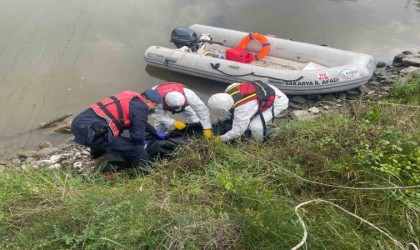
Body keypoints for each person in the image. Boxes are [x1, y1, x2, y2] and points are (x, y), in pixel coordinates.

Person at [71, 89, 166, 168]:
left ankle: (96, 156)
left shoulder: (130, 97)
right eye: (155, 105)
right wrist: (142, 143)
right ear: (148, 101)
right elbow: (136, 136)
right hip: (92, 131)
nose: (153, 108)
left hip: (79, 123)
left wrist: (154, 132)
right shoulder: (140, 107)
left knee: (102, 139)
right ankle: (150, 171)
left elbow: (140, 122)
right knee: (136, 149)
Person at [207, 81, 288, 142]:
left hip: (278, 101)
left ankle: (258, 143)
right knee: (245, 120)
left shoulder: (243, 109)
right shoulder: (229, 89)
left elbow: (238, 131)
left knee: (255, 126)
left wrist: (220, 139)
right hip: (268, 89)